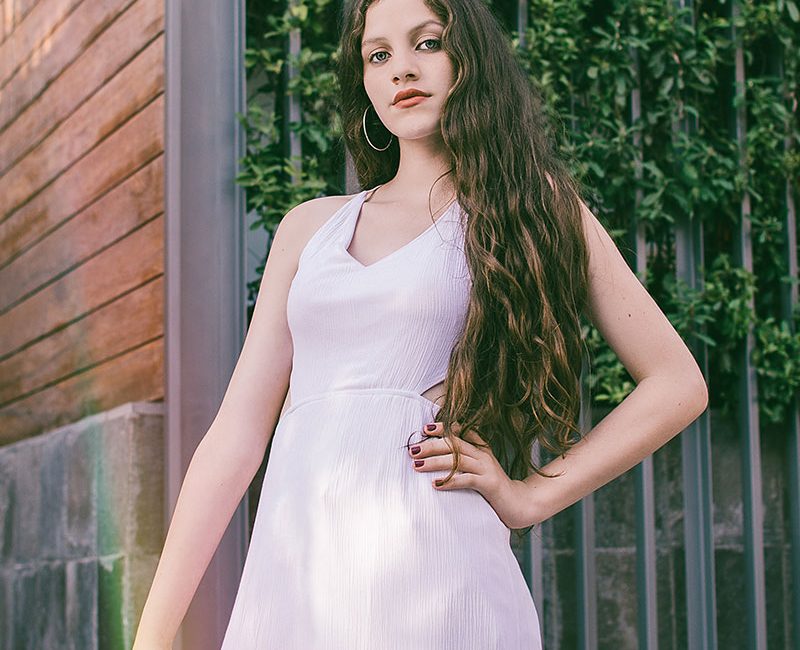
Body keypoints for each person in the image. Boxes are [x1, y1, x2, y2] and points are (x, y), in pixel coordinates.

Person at [132, 0, 709, 646]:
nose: (401, 68)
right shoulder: (309, 229)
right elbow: (234, 441)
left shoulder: (530, 207)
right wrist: (152, 637)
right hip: (296, 581)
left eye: (427, 43)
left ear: (470, 59)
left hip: (440, 578)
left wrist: (529, 498)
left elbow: (677, 383)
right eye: (378, 55)